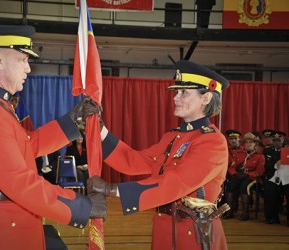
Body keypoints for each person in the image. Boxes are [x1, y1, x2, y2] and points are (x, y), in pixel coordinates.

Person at [0, 24, 106, 250]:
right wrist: (81, 206)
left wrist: (71, 123)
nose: (28, 69)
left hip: (7, 226)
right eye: (23, 59)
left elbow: (27, 145)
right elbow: (20, 182)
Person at [88, 60, 230, 249]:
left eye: (184, 93)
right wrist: (99, 130)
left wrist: (111, 189)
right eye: (176, 92)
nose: (175, 98)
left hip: (194, 234)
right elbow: (134, 160)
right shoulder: (172, 137)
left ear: (206, 98)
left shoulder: (213, 142)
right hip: (164, 227)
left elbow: (175, 182)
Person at [225, 132, 265, 221]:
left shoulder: (260, 156)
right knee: (230, 185)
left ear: (255, 144)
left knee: (244, 186)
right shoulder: (239, 153)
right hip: (239, 174)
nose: (248, 144)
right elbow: (232, 167)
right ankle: (229, 211)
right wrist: (235, 174)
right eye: (246, 142)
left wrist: (248, 174)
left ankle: (245, 212)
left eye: (251, 142)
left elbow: (260, 171)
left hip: (251, 177)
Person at [264, 132, 286, 224]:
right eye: (275, 141)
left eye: (279, 141)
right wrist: (275, 165)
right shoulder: (267, 151)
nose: (277, 143)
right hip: (273, 176)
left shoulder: (287, 150)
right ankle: (271, 217)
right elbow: (266, 165)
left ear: (283, 140)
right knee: (270, 191)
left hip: (286, 177)